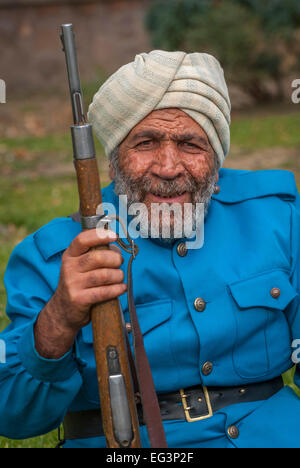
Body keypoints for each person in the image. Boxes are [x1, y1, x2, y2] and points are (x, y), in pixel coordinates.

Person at [0, 50, 300, 448]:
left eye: (191, 144)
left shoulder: (277, 217)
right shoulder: (52, 256)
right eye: (145, 142)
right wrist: (59, 317)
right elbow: (12, 414)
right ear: (112, 161)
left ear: (216, 157)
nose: (169, 166)